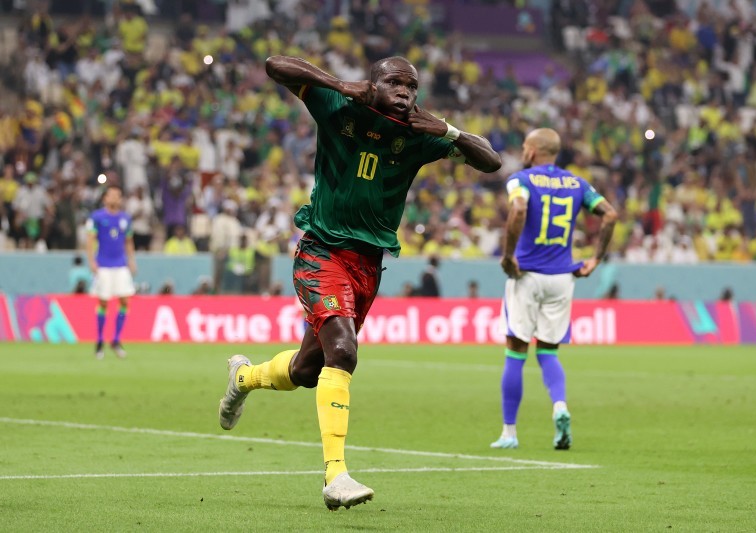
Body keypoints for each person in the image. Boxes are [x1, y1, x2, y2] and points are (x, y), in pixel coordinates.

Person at [218, 54, 501, 510]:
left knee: (308, 371)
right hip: (321, 251)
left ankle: (244, 377)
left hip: (367, 266)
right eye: (394, 81)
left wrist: (448, 132)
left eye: (412, 85)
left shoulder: (417, 134)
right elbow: (274, 65)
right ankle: (336, 476)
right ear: (373, 84)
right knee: (344, 352)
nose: (405, 91)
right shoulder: (337, 107)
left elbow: (491, 161)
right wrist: (339, 85)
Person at [490, 128, 617, 451]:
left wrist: (508, 256)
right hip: (563, 278)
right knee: (548, 351)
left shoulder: (522, 180)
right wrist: (596, 259)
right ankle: (560, 406)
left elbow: (518, 209)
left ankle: (509, 432)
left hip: (528, 274)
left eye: (524, 147)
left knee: (516, 351)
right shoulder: (578, 184)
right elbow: (610, 215)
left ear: (532, 151)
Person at [85, 185, 137, 359]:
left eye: (118, 195)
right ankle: (99, 341)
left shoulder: (125, 218)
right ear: (105, 198)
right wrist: (91, 261)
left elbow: (128, 241)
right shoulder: (97, 217)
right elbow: (90, 240)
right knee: (104, 303)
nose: (115, 198)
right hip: (104, 265)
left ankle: (115, 339)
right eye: (112, 195)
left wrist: (131, 260)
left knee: (124, 300)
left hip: (121, 264)